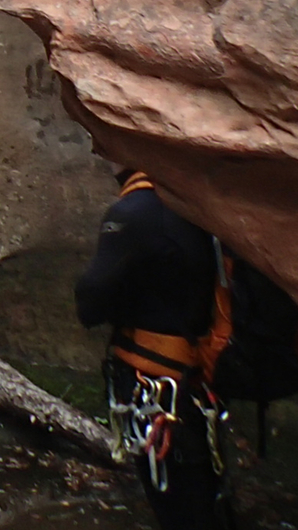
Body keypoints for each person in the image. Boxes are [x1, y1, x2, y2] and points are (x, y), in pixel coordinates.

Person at [76, 167, 233, 529]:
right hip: (199, 381)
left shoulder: (136, 211)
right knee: (203, 496)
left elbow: (90, 302)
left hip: (157, 391)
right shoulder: (197, 201)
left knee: (179, 506)